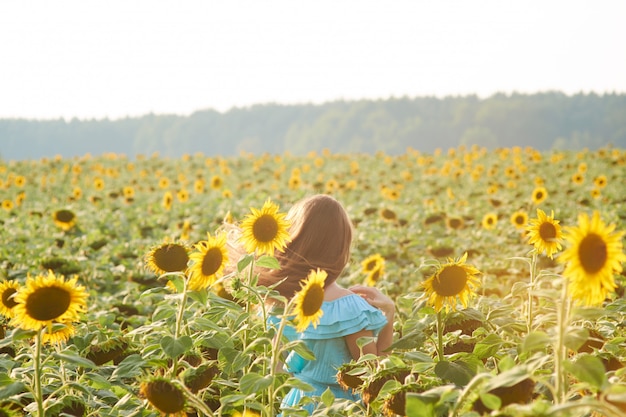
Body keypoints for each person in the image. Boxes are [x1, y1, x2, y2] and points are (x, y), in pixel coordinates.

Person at [237, 194, 396, 414]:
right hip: (338, 408)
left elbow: (277, 368)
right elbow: (374, 379)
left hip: (298, 404)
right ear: (342, 248)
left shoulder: (280, 302)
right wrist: (389, 317)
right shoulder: (348, 309)